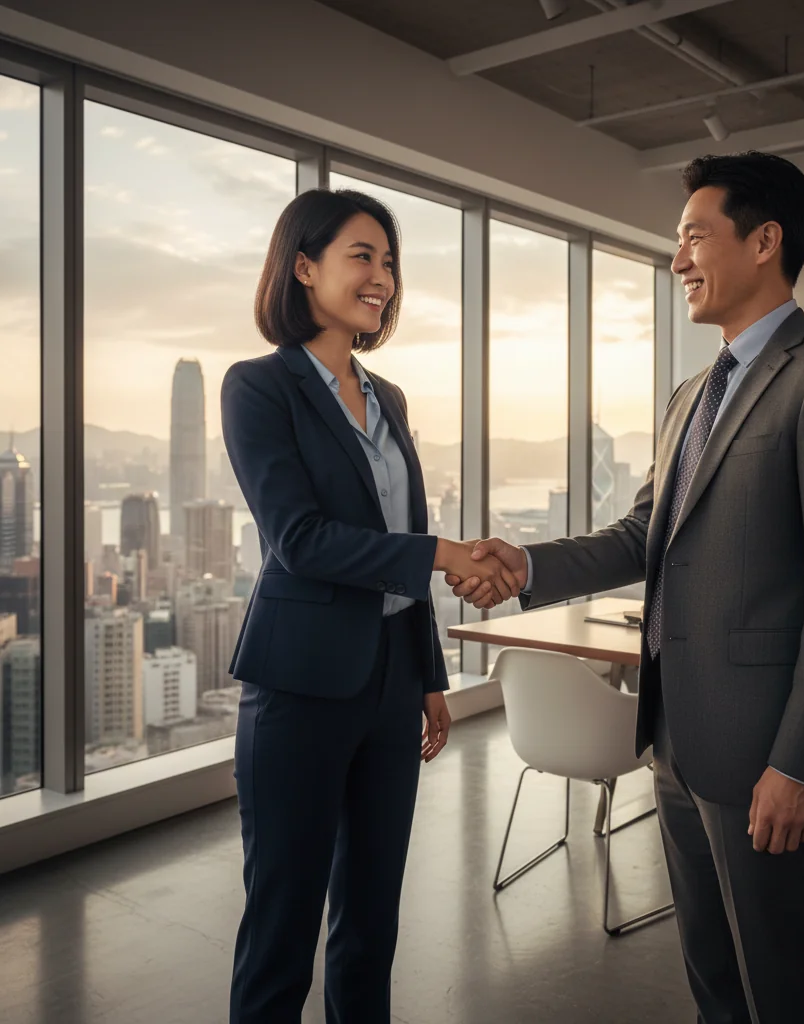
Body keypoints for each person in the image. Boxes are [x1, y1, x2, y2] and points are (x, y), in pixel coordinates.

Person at [448, 152, 804, 1024]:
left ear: (765, 241)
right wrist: (525, 563)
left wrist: (799, 761)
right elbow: (639, 537)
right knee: (714, 979)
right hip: (677, 741)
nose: (677, 259)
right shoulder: (694, 393)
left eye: (694, 236)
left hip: (767, 751)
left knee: (782, 984)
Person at [221, 188, 519, 1024]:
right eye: (363, 256)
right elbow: (300, 540)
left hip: (391, 682)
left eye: (389, 261)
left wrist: (427, 676)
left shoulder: (388, 397)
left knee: (371, 922)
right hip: (300, 687)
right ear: (304, 266)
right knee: (282, 929)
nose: (382, 276)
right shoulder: (258, 388)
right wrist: (440, 555)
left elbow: (400, 530)